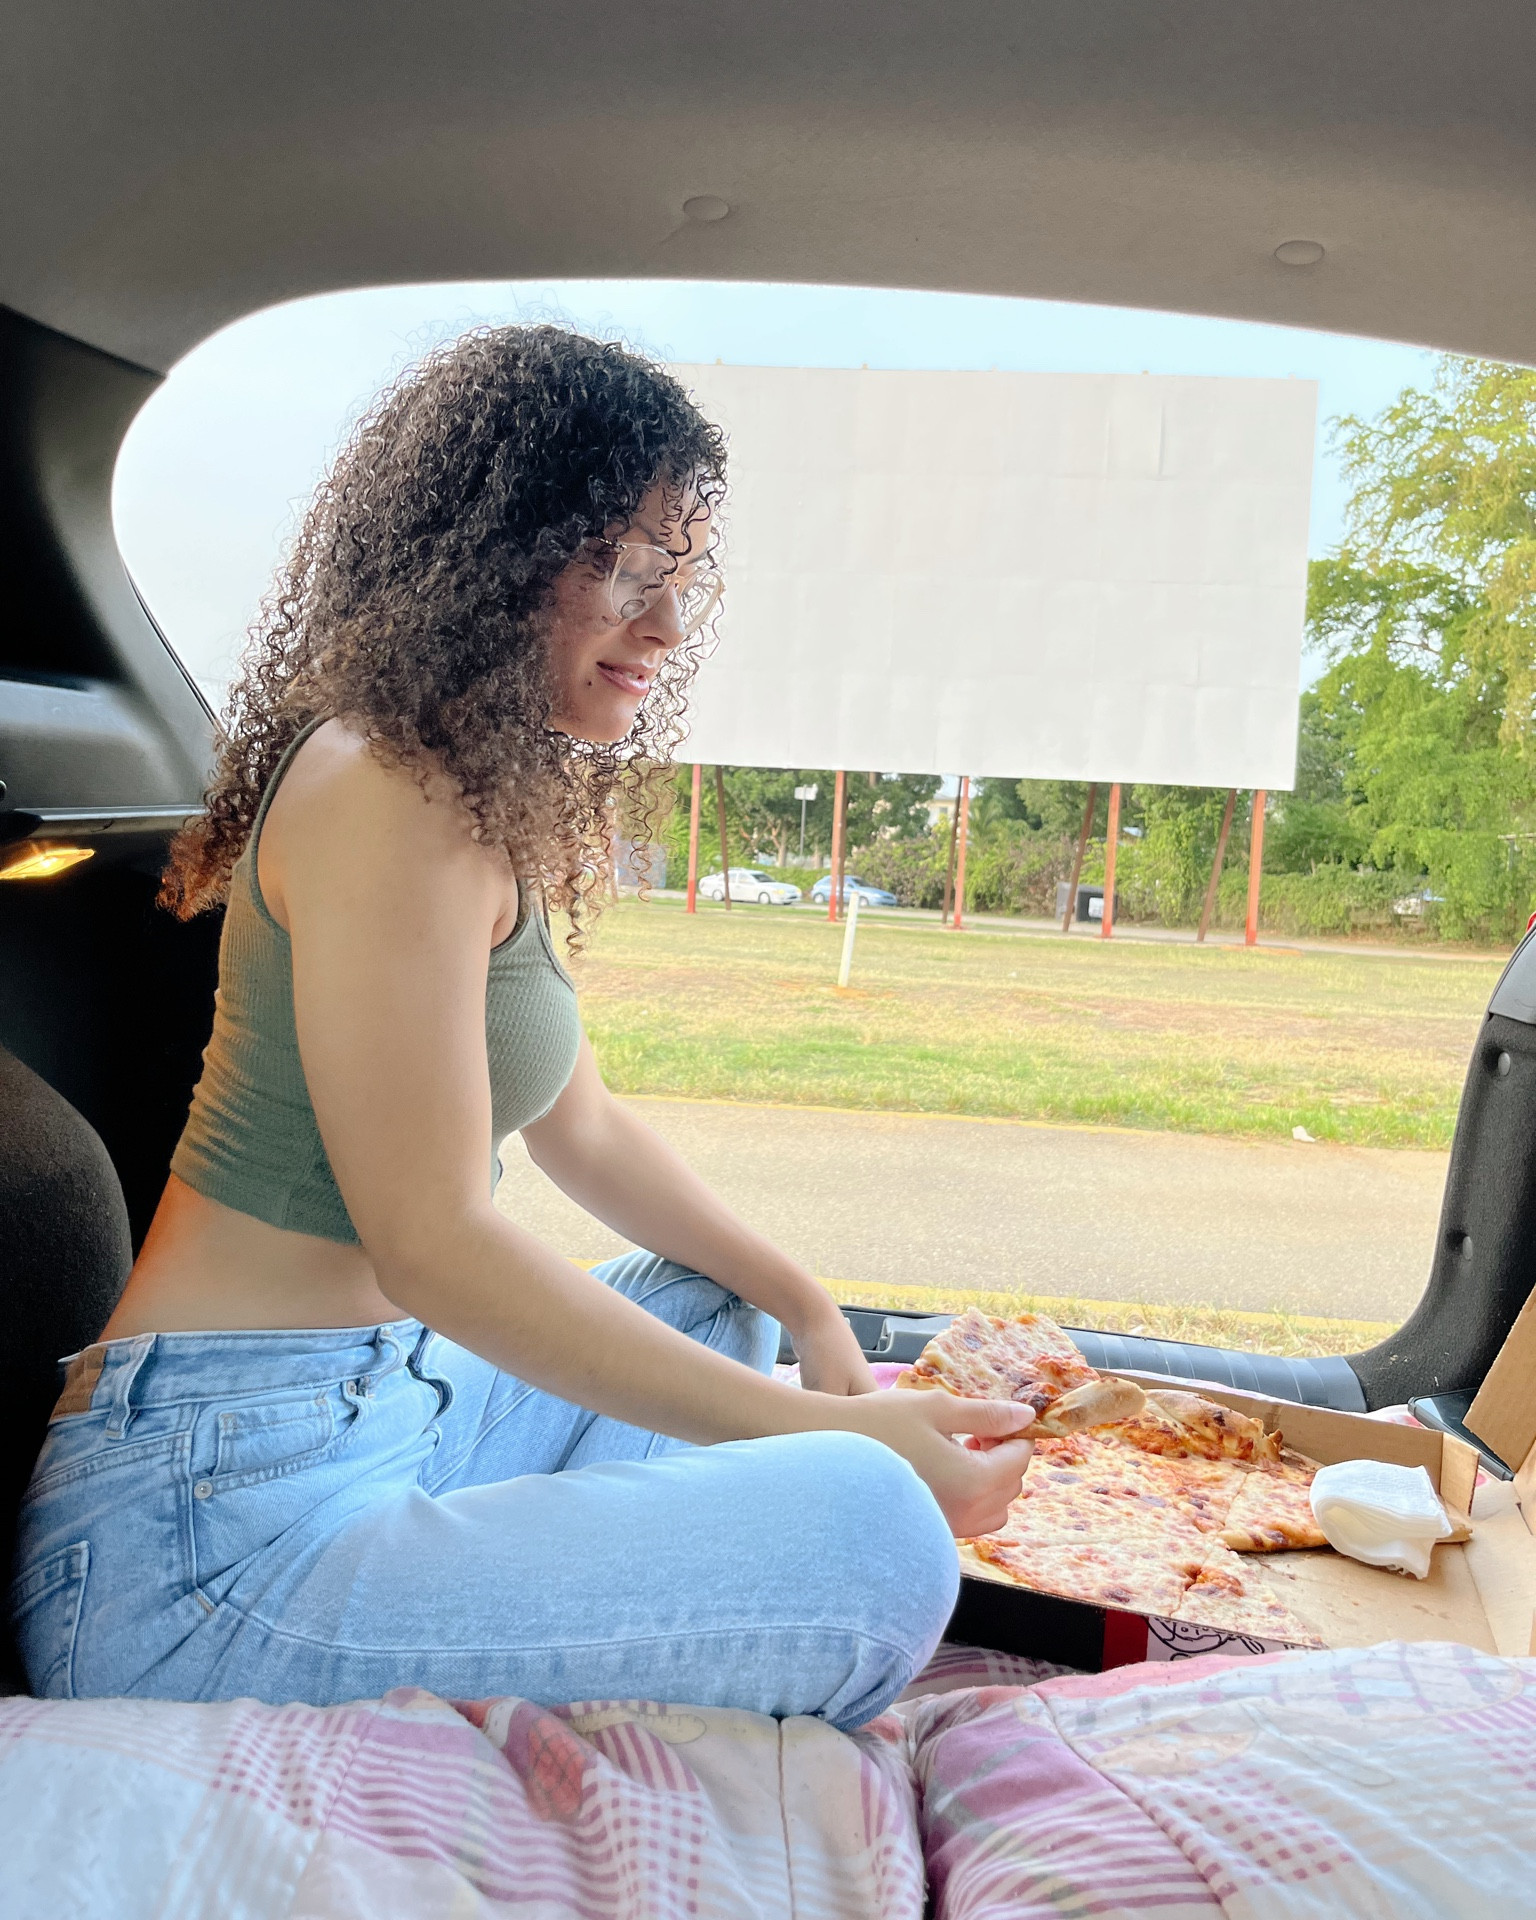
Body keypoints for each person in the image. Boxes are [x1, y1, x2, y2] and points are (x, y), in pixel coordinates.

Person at [10, 327, 1033, 1729]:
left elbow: (584, 1128)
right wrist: (837, 1434)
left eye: (679, 579)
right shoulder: (383, 788)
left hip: (387, 1413)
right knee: (877, 1539)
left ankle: (569, 1606)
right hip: (202, 1535)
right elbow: (431, 1242)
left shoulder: (480, 788)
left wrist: (806, 1305)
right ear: (490, 557)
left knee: (718, 1299)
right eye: (626, 571)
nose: (667, 629)